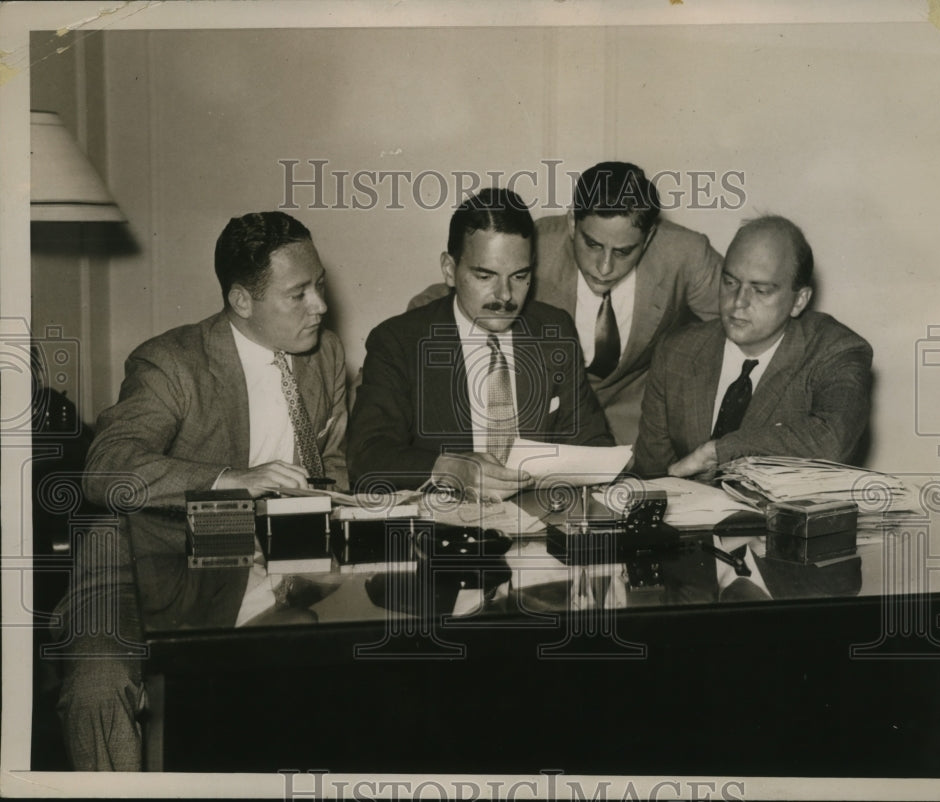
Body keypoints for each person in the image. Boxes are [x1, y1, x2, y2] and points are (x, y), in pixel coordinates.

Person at [60, 211, 348, 770]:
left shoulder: (325, 353)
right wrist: (228, 479)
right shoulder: (171, 363)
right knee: (100, 687)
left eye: (320, 286)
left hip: (260, 554)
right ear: (242, 301)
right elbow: (106, 468)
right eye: (299, 294)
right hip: (136, 552)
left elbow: (330, 459)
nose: (320, 305)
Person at [408, 161, 722, 444]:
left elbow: (745, 317)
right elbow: (457, 289)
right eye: (593, 245)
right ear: (572, 223)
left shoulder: (686, 253)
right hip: (552, 426)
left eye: (624, 252)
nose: (605, 267)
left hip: (638, 427)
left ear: (649, 238)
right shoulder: (540, 242)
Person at [348, 187, 613, 499]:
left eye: (519, 276)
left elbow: (593, 441)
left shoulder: (554, 330)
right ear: (449, 269)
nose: (504, 296)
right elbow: (366, 458)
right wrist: (449, 469)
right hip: (443, 532)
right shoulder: (399, 342)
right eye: (485, 276)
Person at [633, 215, 873, 479]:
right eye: (730, 283)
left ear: (799, 301)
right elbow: (654, 475)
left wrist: (719, 451)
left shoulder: (836, 352)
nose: (738, 302)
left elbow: (833, 440)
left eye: (760, 290)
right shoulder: (676, 352)